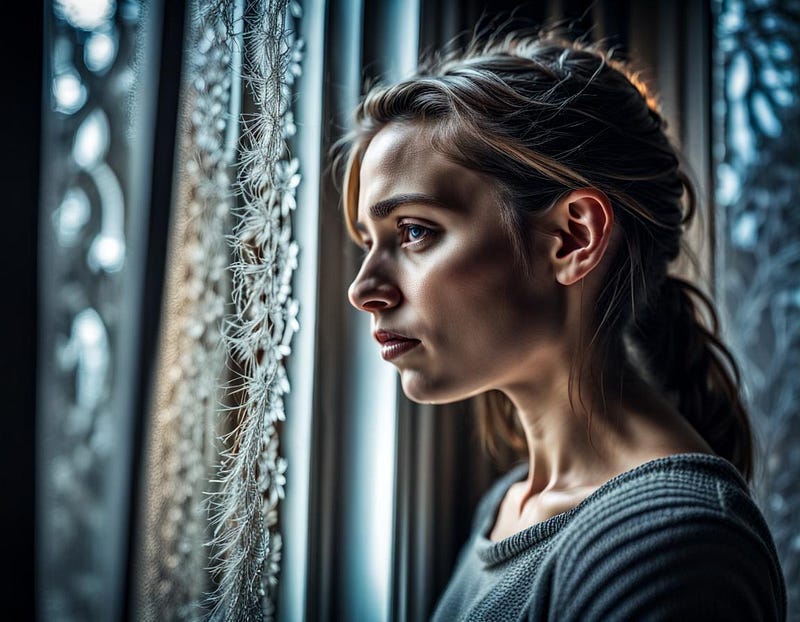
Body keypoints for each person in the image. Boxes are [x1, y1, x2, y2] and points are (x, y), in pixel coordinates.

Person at [335, 24, 787, 621]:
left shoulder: (670, 548)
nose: (362, 289)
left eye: (414, 231)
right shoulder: (511, 505)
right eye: (370, 242)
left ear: (574, 236)